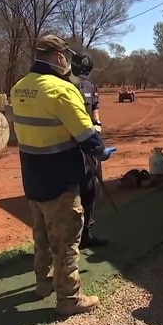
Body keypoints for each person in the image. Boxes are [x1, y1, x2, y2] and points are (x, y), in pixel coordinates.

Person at [10, 34, 117, 316]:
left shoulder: (19, 88)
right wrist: (101, 151)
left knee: (42, 233)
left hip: (32, 176)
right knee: (66, 238)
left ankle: (43, 283)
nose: (68, 62)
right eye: (66, 57)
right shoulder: (61, 89)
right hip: (60, 177)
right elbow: (85, 133)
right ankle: (69, 298)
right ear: (59, 57)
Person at [69, 51, 109, 249]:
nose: (84, 74)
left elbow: (94, 105)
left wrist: (97, 122)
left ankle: (86, 235)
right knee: (71, 193)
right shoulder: (63, 85)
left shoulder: (89, 85)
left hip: (88, 143)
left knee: (91, 189)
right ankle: (71, 239)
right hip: (69, 146)